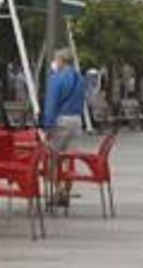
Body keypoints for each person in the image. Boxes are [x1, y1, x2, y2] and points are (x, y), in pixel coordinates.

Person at [43, 50, 87, 207]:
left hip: (61, 121)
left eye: (56, 59)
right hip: (76, 120)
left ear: (61, 60)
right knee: (69, 159)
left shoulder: (56, 78)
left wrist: (47, 126)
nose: (55, 62)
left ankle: (59, 190)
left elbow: (51, 104)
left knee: (50, 158)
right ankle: (66, 193)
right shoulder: (80, 78)